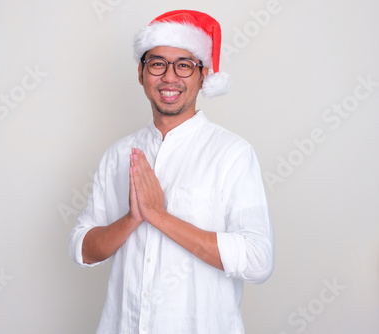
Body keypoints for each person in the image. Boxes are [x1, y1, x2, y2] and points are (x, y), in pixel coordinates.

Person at [69, 9, 274, 334]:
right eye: (157, 63)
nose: (169, 77)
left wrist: (158, 215)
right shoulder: (119, 154)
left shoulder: (232, 154)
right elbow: (83, 248)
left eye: (184, 65)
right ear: (141, 72)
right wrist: (132, 219)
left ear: (203, 75)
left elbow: (258, 260)